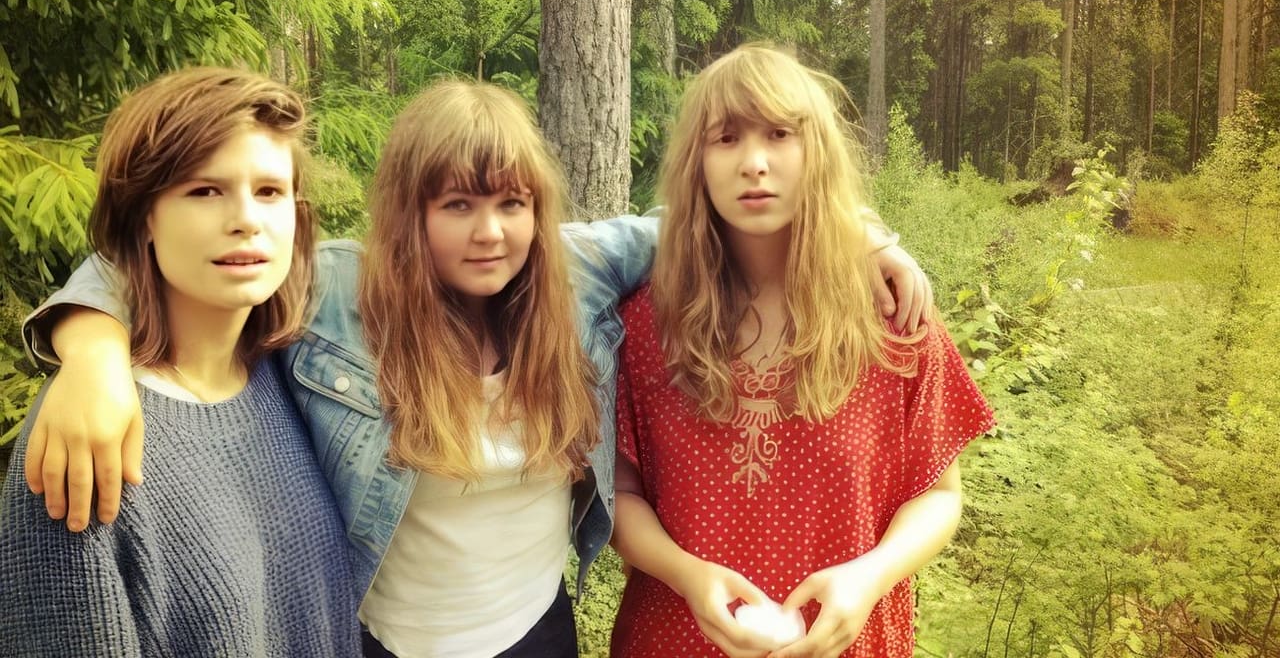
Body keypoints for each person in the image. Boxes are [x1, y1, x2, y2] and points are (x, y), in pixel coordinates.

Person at [18, 78, 933, 657]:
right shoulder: (339, 292)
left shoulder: (577, 274)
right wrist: (91, 349)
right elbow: (172, 256)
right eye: (456, 204)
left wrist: (871, 238)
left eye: (511, 203)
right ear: (408, 213)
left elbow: (718, 213)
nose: (490, 232)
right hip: (382, 639)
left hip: (537, 629)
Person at [609, 44, 995, 658]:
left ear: (817, 152)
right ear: (696, 162)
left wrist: (870, 576)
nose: (754, 163)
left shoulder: (892, 317)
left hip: (847, 641)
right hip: (676, 639)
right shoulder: (644, 323)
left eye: (780, 134)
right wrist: (686, 574)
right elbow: (619, 495)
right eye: (726, 138)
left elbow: (939, 495)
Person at [0, 66, 361, 656]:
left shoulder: (298, 375)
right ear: (144, 217)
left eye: (269, 191)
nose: (246, 220)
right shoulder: (86, 439)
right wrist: (91, 351)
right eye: (204, 190)